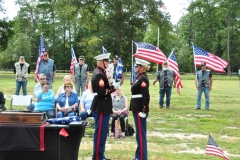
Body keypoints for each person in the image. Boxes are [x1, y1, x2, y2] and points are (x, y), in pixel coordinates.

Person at [91, 52, 117, 160]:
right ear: (102, 62)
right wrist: (113, 88)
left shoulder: (101, 72)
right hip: (101, 107)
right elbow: (102, 92)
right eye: (107, 61)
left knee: (102, 133)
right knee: (100, 133)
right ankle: (97, 156)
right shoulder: (99, 74)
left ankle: (100, 155)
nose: (109, 63)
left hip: (103, 106)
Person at [130, 58, 150, 160]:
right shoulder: (139, 77)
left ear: (141, 68)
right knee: (139, 134)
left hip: (139, 109)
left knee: (141, 134)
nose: (135, 68)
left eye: (136, 66)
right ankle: (139, 155)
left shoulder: (143, 79)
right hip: (136, 107)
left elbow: (146, 96)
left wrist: (144, 110)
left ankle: (142, 157)